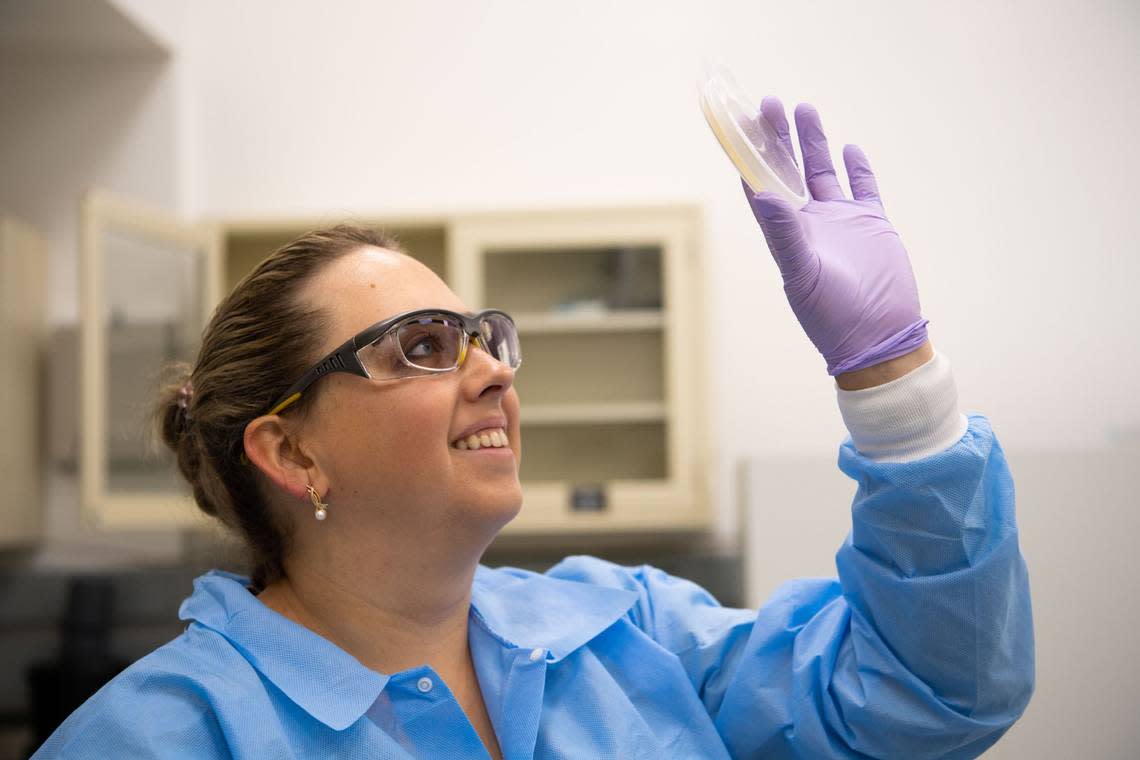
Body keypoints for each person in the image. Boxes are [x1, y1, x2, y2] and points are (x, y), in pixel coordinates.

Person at [33, 98, 1033, 759]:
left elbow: (928, 693)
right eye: (424, 346)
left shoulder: (624, 634)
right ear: (291, 449)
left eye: (484, 338)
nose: (494, 371)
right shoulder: (159, 738)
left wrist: (893, 377)